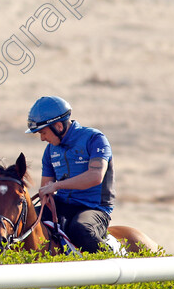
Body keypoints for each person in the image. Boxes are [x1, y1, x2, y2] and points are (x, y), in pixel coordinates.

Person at [25, 96, 115, 253]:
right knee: (26, 221)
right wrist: (47, 194)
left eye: (43, 133)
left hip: (94, 208)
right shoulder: (50, 150)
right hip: (63, 205)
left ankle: (113, 264)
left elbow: (95, 176)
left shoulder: (95, 139)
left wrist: (58, 185)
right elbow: (47, 187)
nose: (42, 138)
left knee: (80, 229)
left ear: (59, 126)